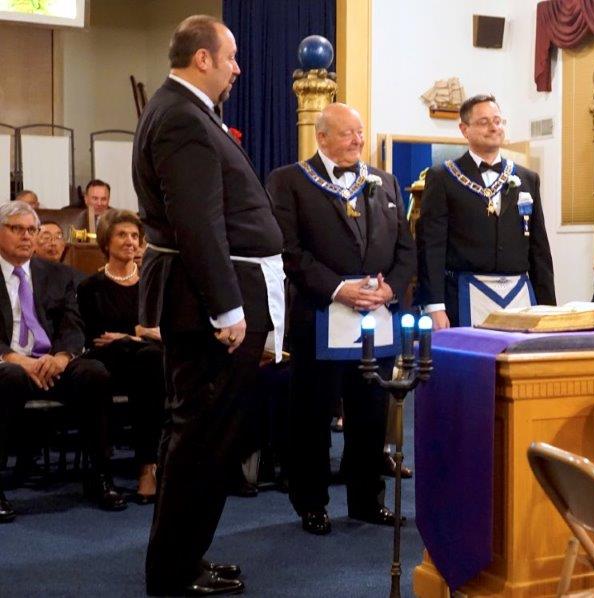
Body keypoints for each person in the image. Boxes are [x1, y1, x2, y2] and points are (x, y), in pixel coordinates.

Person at [133, 15, 285, 595]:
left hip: (212, 295)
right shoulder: (182, 117)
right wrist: (227, 308)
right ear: (203, 59)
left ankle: (184, 559)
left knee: (204, 437)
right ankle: (174, 570)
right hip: (208, 303)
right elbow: (197, 222)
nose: (237, 69)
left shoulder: (187, 112)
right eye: (231, 57)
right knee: (201, 439)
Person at [268, 102, 415, 535]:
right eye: (348, 133)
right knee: (313, 416)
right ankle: (312, 503)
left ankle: (367, 500)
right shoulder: (289, 181)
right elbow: (289, 251)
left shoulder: (385, 182)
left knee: (370, 413)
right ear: (322, 137)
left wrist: (391, 288)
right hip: (320, 314)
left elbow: (406, 248)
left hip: (377, 315)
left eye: (360, 132)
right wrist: (338, 289)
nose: (358, 140)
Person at [0, 201, 127, 523]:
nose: (26, 236)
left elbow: (73, 324)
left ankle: (100, 477)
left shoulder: (57, 274)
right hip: (9, 363)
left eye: (32, 230)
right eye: (17, 229)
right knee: (9, 378)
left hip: (51, 362)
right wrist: (17, 359)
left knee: (94, 373)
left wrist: (61, 357)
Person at [417, 94, 555, 329]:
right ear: (464, 129)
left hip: (520, 296)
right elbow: (431, 246)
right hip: (464, 294)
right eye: (484, 122)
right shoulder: (442, 177)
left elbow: (539, 249)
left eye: (498, 121)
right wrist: (434, 306)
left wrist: (549, 307)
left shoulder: (527, 178)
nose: (494, 127)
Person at [77, 210, 164, 504]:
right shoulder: (90, 287)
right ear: (106, 241)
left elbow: (164, 331)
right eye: (122, 235)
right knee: (145, 353)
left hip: (148, 367)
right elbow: (97, 338)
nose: (130, 241)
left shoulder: (151, 285)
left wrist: (131, 334)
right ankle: (125, 470)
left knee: (150, 357)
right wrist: (141, 333)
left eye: (134, 236)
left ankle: (148, 466)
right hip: (109, 366)